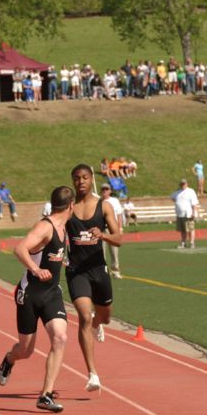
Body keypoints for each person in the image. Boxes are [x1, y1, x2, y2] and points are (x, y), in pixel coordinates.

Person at [0, 186, 75, 413]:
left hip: (51, 293)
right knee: (26, 350)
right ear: (70, 206)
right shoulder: (45, 226)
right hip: (30, 294)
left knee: (60, 337)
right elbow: (19, 249)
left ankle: (46, 395)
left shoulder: (64, 226)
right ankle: (9, 360)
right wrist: (35, 269)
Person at [66, 165, 122, 392]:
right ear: (72, 181)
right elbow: (53, 230)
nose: (81, 182)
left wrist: (104, 235)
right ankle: (93, 374)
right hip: (76, 271)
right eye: (77, 178)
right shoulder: (67, 208)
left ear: (91, 180)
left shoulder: (104, 206)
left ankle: (99, 323)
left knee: (104, 317)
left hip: (98, 269)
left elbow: (119, 239)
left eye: (85, 178)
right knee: (83, 317)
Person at [100, 184, 123, 279]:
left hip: (112, 229)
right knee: (101, 251)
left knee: (114, 251)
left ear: (110, 191)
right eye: (103, 189)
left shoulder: (114, 201)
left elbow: (119, 214)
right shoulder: (98, 201)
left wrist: (120, 227)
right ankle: (103, 271)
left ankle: (115, 270)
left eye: (106, 189)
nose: (105, 191)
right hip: (101, 228)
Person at [171, 179, 200, 249]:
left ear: (187, 184)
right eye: (182, 184)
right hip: (180, 214)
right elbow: (172, 197)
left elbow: (194, 203)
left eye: (184, 184)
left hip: (188, 214)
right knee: (182, 230)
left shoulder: (190, 191)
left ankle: (192, 243)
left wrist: (193, 213)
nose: (183, 185)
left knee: (190, 229)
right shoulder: (177, 192)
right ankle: (183, 243)